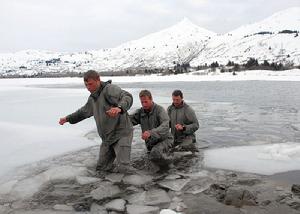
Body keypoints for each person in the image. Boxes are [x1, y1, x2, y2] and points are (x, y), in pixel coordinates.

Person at [59, 70, 134, 174]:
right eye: (86, 85)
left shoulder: (109, 90)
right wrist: (67, 118)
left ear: (98, 80)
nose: (88, 88)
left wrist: (119, 108)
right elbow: (83, 112)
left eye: (90, 84)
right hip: (107, 138)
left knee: (123, 168)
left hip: (121, 133)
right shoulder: (93, 98)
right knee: (101, 169)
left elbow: (127, 96)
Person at [130, 90, 173, 170]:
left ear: (151, 99)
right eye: (142, 102)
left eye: (146, 102)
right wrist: (119, 114)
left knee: (155, 153)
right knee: (148, 159)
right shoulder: (140, 112)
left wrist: (151, 133)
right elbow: (129, 120)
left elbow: (165, 125)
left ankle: (169, 168)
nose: (144, 104)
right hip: (151, 144)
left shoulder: (160, 110)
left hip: (165, 140)